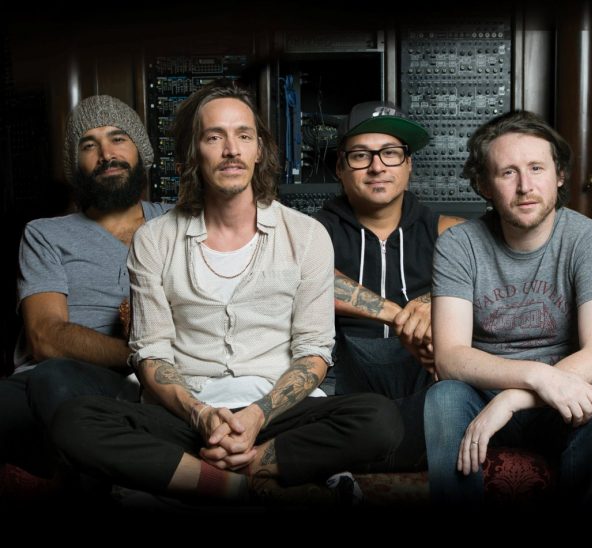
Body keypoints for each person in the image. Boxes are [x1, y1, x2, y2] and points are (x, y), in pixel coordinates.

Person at [50, 82, 402, 504]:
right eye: (215, 137)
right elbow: (151, 353)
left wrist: (255, 417)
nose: (231, 150)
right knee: (73, 420)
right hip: (187, 415)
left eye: (244, 135)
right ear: (193, 152)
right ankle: (241, 483)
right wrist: (200, 415)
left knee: (380, 419)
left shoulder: (306, 235)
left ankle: (228, 469)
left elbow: (313, 352)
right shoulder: (154, 239)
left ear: (259, 150)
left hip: (277, 413)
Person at [424, 110, 592, 506]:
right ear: (484, 185)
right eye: (508, 173)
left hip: (559, 402)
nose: (525, 186)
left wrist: (513, 398)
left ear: (559, 175)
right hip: (482, 397)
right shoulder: (459, 244)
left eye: (536, 168)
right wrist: (535, 376)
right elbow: (449, 358)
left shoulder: (588, 238)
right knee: (443, 397)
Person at [0, 95, 170, 475]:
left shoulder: (179, 223)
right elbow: (45, 337)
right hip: (56, 377)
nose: (106, 154)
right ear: (75, 165)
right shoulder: (45, 234)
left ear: (141, 152)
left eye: (118, 139)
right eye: (89, 145)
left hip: (155, 384)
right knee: (50, 381)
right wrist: (142, 356)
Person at [314, 101, 462, 471]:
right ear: (340, 168)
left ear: (409, 165)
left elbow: (495, 279)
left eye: (391, 153)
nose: (377, 166)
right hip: (342, 390)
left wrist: (434, 301)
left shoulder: (450, 232)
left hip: (427, 385)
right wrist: (398, 314)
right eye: (361, 155)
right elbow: (307, 276)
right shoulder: (310, 234)